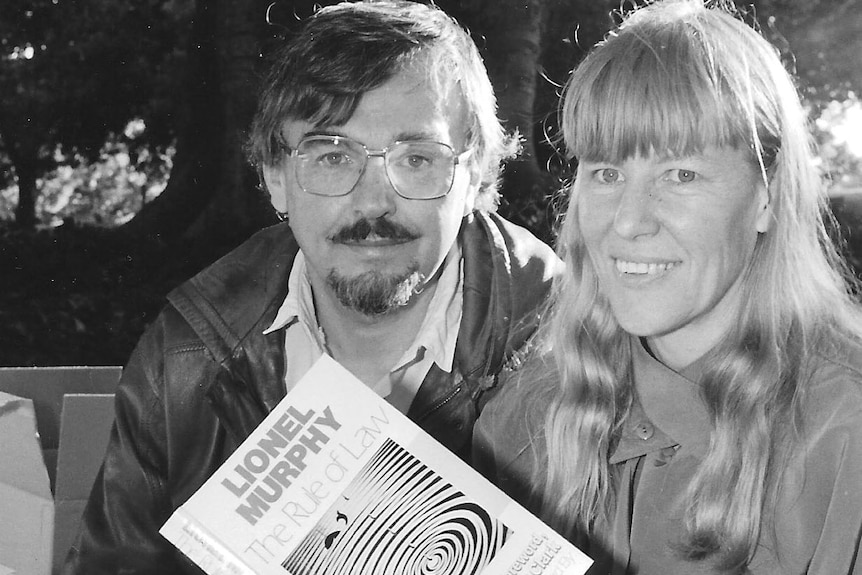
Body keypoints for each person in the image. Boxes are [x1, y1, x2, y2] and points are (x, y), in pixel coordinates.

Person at [64, 1, 561, 572]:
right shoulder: (185, 358)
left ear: (473, 176)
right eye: (331, 156)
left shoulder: (576, 346)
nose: (374, 202)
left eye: (417, 158)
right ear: (276, 181)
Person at [474, 1, 862, 573]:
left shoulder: (842, 432)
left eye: (681, 174)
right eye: (606, 173)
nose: (629, 222)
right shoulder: (529, 413)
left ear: (768, 195)